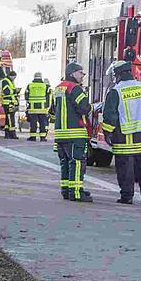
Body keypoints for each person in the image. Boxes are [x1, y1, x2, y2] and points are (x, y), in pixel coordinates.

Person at [101, 59, 141, 205]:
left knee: (125, 168)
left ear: (117, 75)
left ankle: (127, 196)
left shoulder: (116, 91)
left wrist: (107, 133)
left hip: (123, 137)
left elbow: (110, 116)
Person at [52, 62, 93, 202]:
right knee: (77, 162)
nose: (82, 76)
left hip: (60, 134)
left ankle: (66, 190)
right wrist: (91, 107)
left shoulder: (58, 88)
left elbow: (52, 111)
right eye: (81, 73)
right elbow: (84, 108)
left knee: (65, 162)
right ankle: (76, 192)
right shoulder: (75, 89)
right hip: (75, 133)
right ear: (73, 73)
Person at [25, 72, 51, 142]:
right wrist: (48, 106)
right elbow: (49, 97)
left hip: (32, 108)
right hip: (43, 108)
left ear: (34, 77)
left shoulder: (30, 85)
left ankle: (33, 137)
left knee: (33, 123)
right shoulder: (45, 86)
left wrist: (29, 103)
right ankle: (42, 137)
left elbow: (26, 96)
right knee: (42, 122)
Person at [1, 70, 20, 140]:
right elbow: (7, 91)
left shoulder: (9, 81)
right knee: (10, 118)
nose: (14, 78)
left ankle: (7, 134)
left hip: (10, 102)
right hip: (8, 103)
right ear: (11, 76)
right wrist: (15, 91)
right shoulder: (5, 81)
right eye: (14, 77)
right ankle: (12, 134)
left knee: (8, 119)